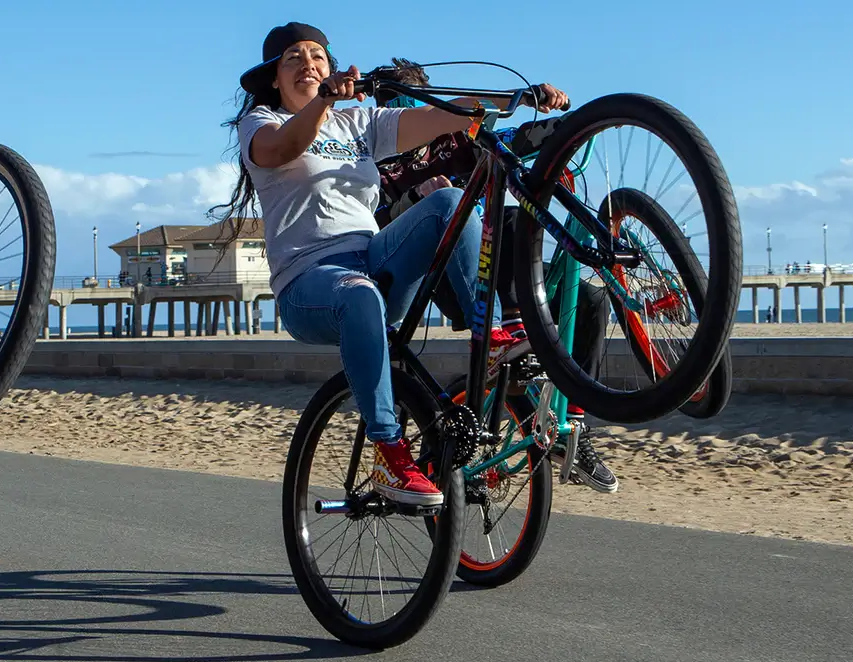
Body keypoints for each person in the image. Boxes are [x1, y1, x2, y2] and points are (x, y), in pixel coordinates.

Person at [210, 22, 569, 507]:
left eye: (317, 56)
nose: (307, 64)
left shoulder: (356, 123)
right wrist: (323, 102)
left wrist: (516, 98)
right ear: (274, 77)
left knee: (449, 201)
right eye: (293, 58)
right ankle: (389, 452)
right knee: (358, 294)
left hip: (374, 261)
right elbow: (284, 147)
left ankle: (490, 339)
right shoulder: (261, 123)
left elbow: (443, 117)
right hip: (309, 282)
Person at [372, 59, 618, 494]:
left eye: (411, 103)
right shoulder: (375, 161)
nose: (402, 112)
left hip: (501, 261)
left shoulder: (453, 135)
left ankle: (574, 427)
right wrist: (414, 198)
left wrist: (570, 123)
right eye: (392, 104)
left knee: (591, 300)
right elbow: (376, 223)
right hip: (448, 273)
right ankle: (510, 335)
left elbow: (511, 140)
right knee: (507, 221)